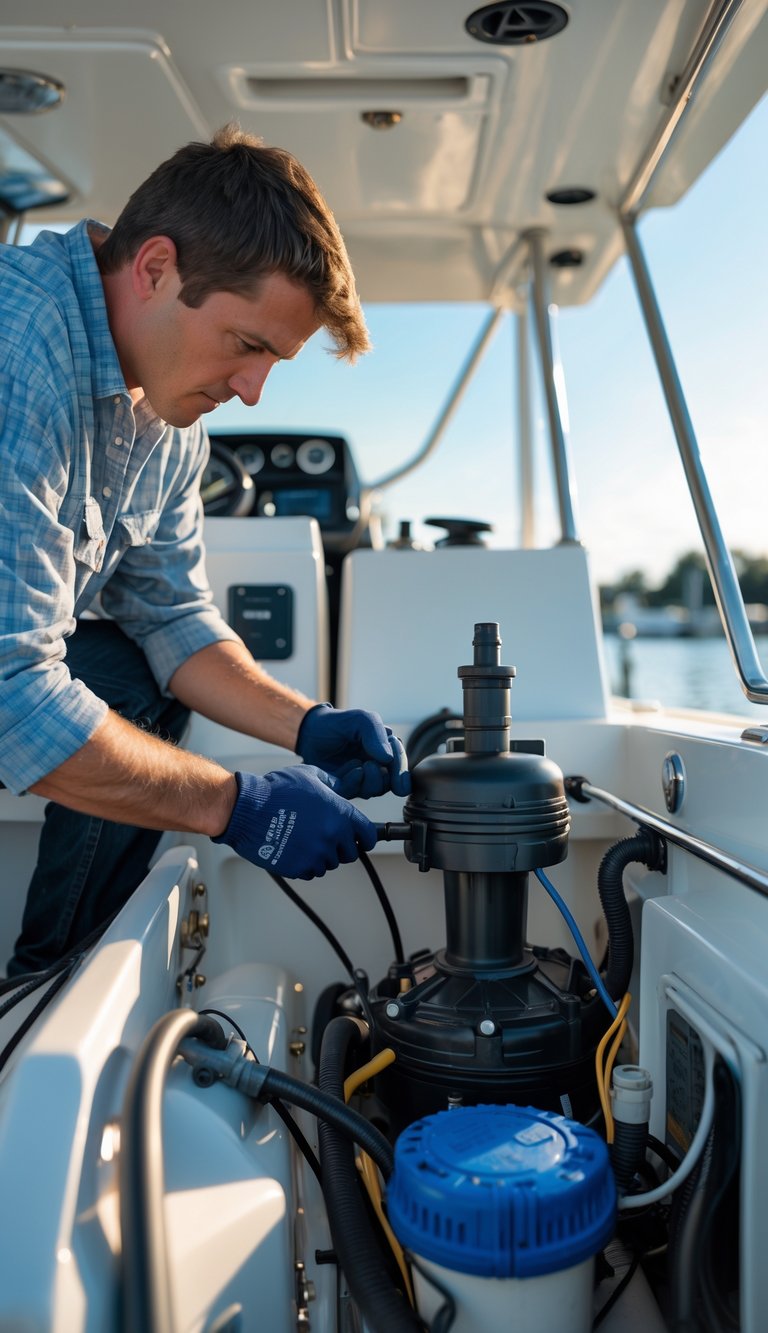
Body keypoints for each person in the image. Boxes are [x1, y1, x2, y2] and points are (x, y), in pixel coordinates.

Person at [0, 124, 409, 978]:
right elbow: (10, 695)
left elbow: (172, 616)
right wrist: (234, 804)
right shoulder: (18, 348)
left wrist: (306, 724)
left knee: (124, 671)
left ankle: (49, 988)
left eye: (275, 361)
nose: (252, 391)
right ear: (155, 268)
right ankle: (42, 1001)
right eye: (248, 345)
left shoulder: (168, 417)